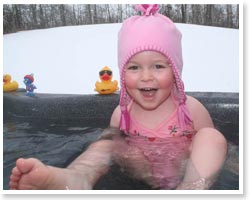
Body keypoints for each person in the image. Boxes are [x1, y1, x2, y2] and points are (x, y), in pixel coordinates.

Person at [9, 4, 227, 190]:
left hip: (184, 171)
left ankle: (191, 189)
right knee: (107, 143)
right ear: (122, 73)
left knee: (211, 137)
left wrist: (232, 164)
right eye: (133, 68)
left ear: (176, 71)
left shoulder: (191, 108)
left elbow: (212, 153)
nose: (146, 77)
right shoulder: (123, 113)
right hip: (141, 173)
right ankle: (78, 176)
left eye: (158, 66)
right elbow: (114, 154)